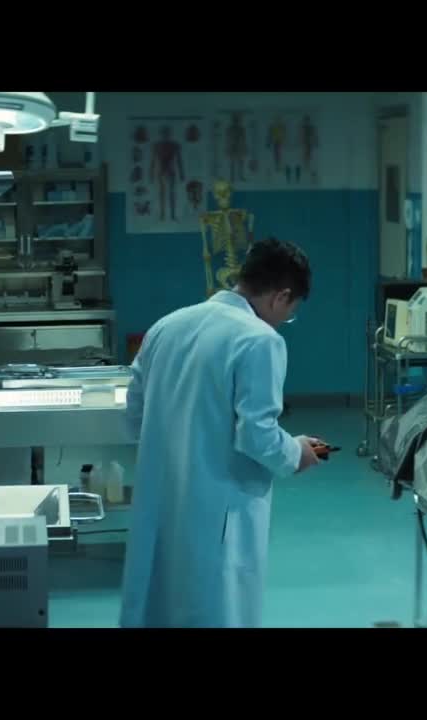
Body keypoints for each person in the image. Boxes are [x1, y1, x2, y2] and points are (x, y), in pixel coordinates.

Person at [119, 237, 323, 628]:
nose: (284, 320)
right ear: (281, 296)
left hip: (161, 500)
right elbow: (258, 437)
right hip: (219, 512)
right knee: (215, 606)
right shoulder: (260, 340)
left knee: (159, 604)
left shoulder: (166, 327)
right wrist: (297, 451)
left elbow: (134, 417)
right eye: (290, 312)